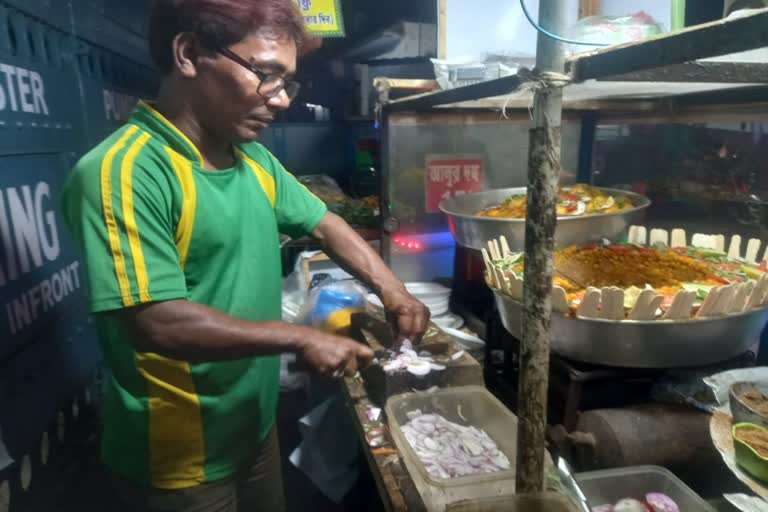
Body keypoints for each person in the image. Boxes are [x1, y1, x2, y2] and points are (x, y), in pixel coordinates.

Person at [59, 1, 430, 510]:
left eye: (288, 82)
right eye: (267, 75)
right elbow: (157, 322)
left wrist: (393, 289)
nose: (280, 101)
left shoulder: (251, 158)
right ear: (189, 54)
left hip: (253, 426)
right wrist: (298, 338)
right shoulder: (124, 172)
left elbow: (325, 223)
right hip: (180, 456)